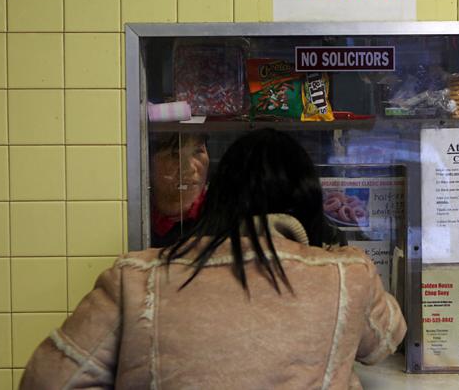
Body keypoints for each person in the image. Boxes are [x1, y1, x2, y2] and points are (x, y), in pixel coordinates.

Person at [20, 129, 406, 389]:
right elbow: (385, 342)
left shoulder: (137, 277)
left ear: (218, 195)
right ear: (309, 201)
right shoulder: (348, 272)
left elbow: (47, 380)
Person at [149, 133, 210, 247]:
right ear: (148, 164)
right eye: (174, 154)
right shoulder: (135, 214)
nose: (189, 169)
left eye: (197, 151)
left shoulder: (222, 215)